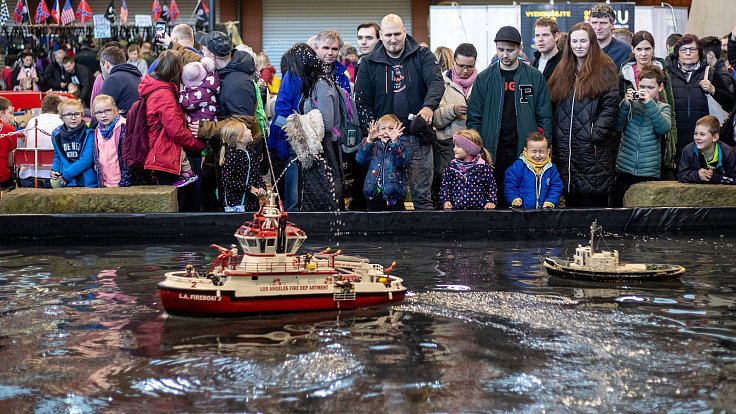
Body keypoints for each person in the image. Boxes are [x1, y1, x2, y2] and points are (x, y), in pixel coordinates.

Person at [354, 14, 444, 210]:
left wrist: (429, 106)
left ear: (405, 33)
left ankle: (426, 239)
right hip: (384, 141)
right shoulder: (368, 63)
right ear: (380, 36)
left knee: (422, 195)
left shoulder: (423, 55)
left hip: (417, 136)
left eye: (397, 34)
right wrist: (376, 131)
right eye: (388, 35)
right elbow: (361, 101)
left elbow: (436, 82)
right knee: (386, 195)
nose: (393, 39)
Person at [467, 26, 552, 207]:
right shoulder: (484, 79)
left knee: (524, 202)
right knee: (492, 202)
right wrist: (477, 150)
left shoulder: (535, 77)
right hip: (491, 152)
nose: (505, 55)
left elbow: (544, 115)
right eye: (501, 50)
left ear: (520, 48)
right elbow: (474, 118)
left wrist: (545, 145)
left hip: (524, 152)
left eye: (510, 50)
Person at [548, 22, 620, 207]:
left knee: (595, 204)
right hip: (566, 147)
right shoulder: (563, 69)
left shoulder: (605, 68)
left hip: (593, 149)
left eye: (583, 41)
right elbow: (553, 104)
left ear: (592, 43)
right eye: (574, 41)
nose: (578, 45)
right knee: (571, 200)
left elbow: (611, 105)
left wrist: (595, 132)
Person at [195, 31, 259, 211]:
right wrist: (173, 44)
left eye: (203, 50)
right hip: (220, 147)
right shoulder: (224, 70)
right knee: (207, 190)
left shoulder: (237, 83)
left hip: (235, 154)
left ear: (211, 55)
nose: (201, 53)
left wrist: (206, 129)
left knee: (230, 202)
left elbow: (241, 122)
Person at [282, 44, 343, 211]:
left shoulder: (322, 84)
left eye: (294, 66)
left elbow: (327, 122)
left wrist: (297, 124)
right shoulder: (310, 84)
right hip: (315, 149)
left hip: (325, 149)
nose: (292, 71)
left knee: (323, 199)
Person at [666, 34, 735, 168]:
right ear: (677, 53)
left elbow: (730, 102)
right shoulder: (668, 74)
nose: (688, 53)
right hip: (675, 139)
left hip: (704, 140)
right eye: (683, 50)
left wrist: (714, 90)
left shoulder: (710, 72)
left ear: (699, 52)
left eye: (692, 49)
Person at [139, 50, 205, 185]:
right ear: (176, 70)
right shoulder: (164, 95)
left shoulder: (155, 86)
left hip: (162, 150)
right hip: (167, 153)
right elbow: (176, 130)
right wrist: (198, 145)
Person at [619, 30, 678, 179]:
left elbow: (670, 108)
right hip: (630, 137)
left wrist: (671, 144)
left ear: (653, 49)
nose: (643, 53)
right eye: (639, 49)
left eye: (647, 49)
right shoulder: (624, 73)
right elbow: (619, 113)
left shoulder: (663, 73)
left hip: (657, 131)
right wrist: (626, 101)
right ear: (632, 50)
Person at [612, 65, 672, 206]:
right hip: (625, 170)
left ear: (660, 87)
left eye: (650, 87)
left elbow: (663, 128)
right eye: (642, 86)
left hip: (649, 172)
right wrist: (625, 104)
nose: (645, 91)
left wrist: (649, 104)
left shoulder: (663, 107)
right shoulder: (630, 105)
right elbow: (617, 127)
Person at [432, 43, 479, 207]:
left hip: (475, 144)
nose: (465, 70)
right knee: (446, 181)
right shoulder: (440, 83)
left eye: (469, 67)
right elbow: (435, 120)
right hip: (447, 143)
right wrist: (452, 110)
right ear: (454, 63)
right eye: (461, 66)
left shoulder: (482, 82)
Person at [355, 114, 413, 211]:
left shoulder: (403, 144)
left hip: (394, 196)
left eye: (391, 128)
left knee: (395, 223)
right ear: (377, 131)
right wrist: (369, 140)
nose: (386, 132)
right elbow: (360, 159)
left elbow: (403, 162)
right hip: (373, 195)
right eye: (383, 128)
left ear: (398, 130)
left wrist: (395, 142)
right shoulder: (374, 146)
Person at [177, 58, 220, 188]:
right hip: (205, 122)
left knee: (201, 154)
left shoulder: (201, 92)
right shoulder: (208, 81)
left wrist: (180, 90)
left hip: (202, 125)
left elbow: (186, 102)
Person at [439, 128, 497, 210]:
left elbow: (491, 187)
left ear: (470, 149)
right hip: (456, 213)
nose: (454, 149)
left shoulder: (483, 167)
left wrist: (491, 201)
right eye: (454, 145)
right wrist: (446, 201)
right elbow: (445, 186)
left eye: (458, 146)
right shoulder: (452, 167)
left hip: (478, 213)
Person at [504, 131, 563, 209]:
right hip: (522, 212)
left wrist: (550, 201)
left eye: (541, 151)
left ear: (548, 152)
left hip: (545, 212)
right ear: (525, 151)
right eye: (534, 151)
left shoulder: (551, 168)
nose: (537, 155)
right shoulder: (518, 166)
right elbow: (510, 185)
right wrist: (514, 199)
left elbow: (556, 187)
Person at [219, 119, 266, 211]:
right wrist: (249, 188)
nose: (249, 130)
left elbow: (257, 174)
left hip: (251, 203)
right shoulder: (231, 156)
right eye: (246, 129)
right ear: (240, 139)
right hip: (235, 204)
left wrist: (261, 186)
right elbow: (227, 181)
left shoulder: (251, 153)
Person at [50, 99, 97, 188]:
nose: (73, 117)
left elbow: (87, 160)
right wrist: (55, 169)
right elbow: (57, 155)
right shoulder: (56, 135)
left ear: (82, 115)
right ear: (61, 118)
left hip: (86, 183)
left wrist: (67, 175)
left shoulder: (89, 134)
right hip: (66, 183)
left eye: (76, 114)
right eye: (68, 114)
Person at [19, 94, 64, 188]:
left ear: (42, 108)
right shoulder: (63, 122)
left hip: (29, 177)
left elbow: (26, 146)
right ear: (59, 108)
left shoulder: (33, 121)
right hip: (55, 178)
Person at [678, 115, 736, 184]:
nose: (697, 137)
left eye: (702, 134)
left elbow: (734, 178)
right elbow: (681, 175)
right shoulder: (688, 150)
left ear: (715, 137)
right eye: (695, 134)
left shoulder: (728, 153)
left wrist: (714, 177)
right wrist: (697, 175)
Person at [91, 95, 132, 187]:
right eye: (98, 112)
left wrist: (124, 183)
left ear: (115, 109)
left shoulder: (124, 127)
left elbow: (127, 158)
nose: (103, 115)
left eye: (107, 111)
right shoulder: (97, 130)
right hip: (105, 182)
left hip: (122, 182)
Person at [589, 3, 632, 70]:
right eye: (594, 23)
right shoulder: (584, 48)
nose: (598, 27)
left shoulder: (625, 51)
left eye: (603, 23)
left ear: (612, 25)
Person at [100, 46, 142, 114]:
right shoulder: (137, 77)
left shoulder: (113, 80)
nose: (101, 70)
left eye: (101, 66)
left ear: (107, 64)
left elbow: (101, 110)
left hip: (123, 123)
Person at [0, 97, 17, 189]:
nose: (11, 116)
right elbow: (11, 161)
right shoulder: (10, 129)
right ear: (1, 113)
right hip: (3, 177)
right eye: (10, 113)